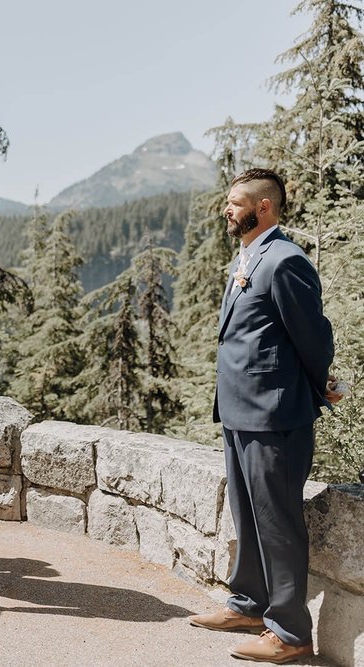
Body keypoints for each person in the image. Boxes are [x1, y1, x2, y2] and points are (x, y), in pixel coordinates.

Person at [188, 169, 343, 664]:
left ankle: (290, 632)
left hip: (275, 414)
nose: (227, 210)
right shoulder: (248, 256)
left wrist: (324, 385)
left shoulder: (285, 260)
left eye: (236, 203)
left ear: (265, 208)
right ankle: (249, 605)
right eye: (228, 201)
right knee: (248, 517)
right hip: (238, 411)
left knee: (278, 522)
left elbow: (312, 337)